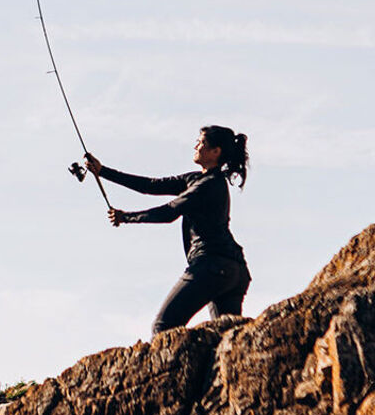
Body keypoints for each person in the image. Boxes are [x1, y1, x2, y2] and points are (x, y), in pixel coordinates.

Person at [84, 125, 251, 337]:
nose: (196, 146)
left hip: (211, 266)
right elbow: (151, 186)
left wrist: (127, 217)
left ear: (215, 151)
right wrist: (103, 171)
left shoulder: (208, 185)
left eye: (201, 143)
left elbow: (170, 212)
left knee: (163, 327)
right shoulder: (197, 179)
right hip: (235, 270)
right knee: (226, 336)